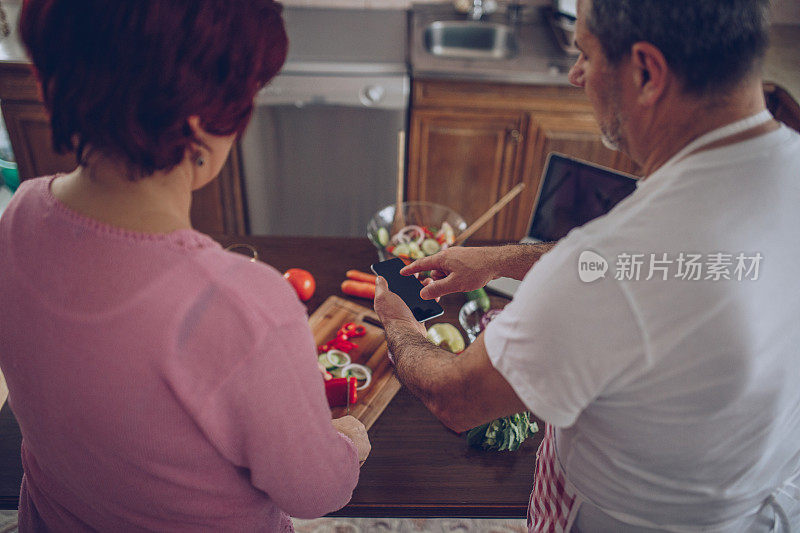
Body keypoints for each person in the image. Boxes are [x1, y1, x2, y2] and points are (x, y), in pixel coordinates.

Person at [374, 0, 800, 530]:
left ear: (646, 72)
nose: (576, 76)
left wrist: (398, 320)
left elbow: (457, 396)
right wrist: (500, 260)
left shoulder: (607, 262)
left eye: (587, 55)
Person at [0, 1, 370, 531]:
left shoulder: (15, 218)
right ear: (198, 118)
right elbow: (313, 490)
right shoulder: (248, 307)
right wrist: (347, 445)